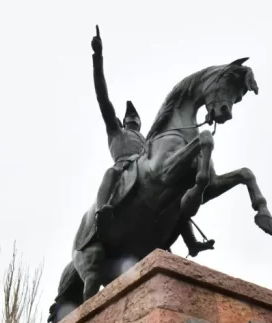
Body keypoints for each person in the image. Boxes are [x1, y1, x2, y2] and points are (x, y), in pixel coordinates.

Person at [90, 27, 213, 257]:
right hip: (124, 170)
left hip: (146, 168)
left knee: (176, 190)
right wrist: (98, 58)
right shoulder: (115, 131)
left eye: (136, 117)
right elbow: (102, 96)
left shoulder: (147, 140)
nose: (133, 119)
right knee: (109, 173)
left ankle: (191, 242)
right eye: (129, 117)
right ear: (123, 121)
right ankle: (102, 213)